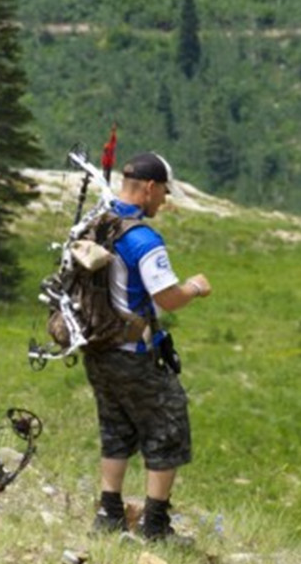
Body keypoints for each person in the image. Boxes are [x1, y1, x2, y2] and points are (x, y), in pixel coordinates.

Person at [85, 152, 210, 543]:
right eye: (163, 193)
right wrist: (194, 287)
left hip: (95, 345)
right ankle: (156, 525)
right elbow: (168, 298)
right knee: (168, 424)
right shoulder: (142, 239)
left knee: (115, 424)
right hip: (132, 353)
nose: (163, 202)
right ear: (151, 188)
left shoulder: (96, 224)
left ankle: (109, 513)